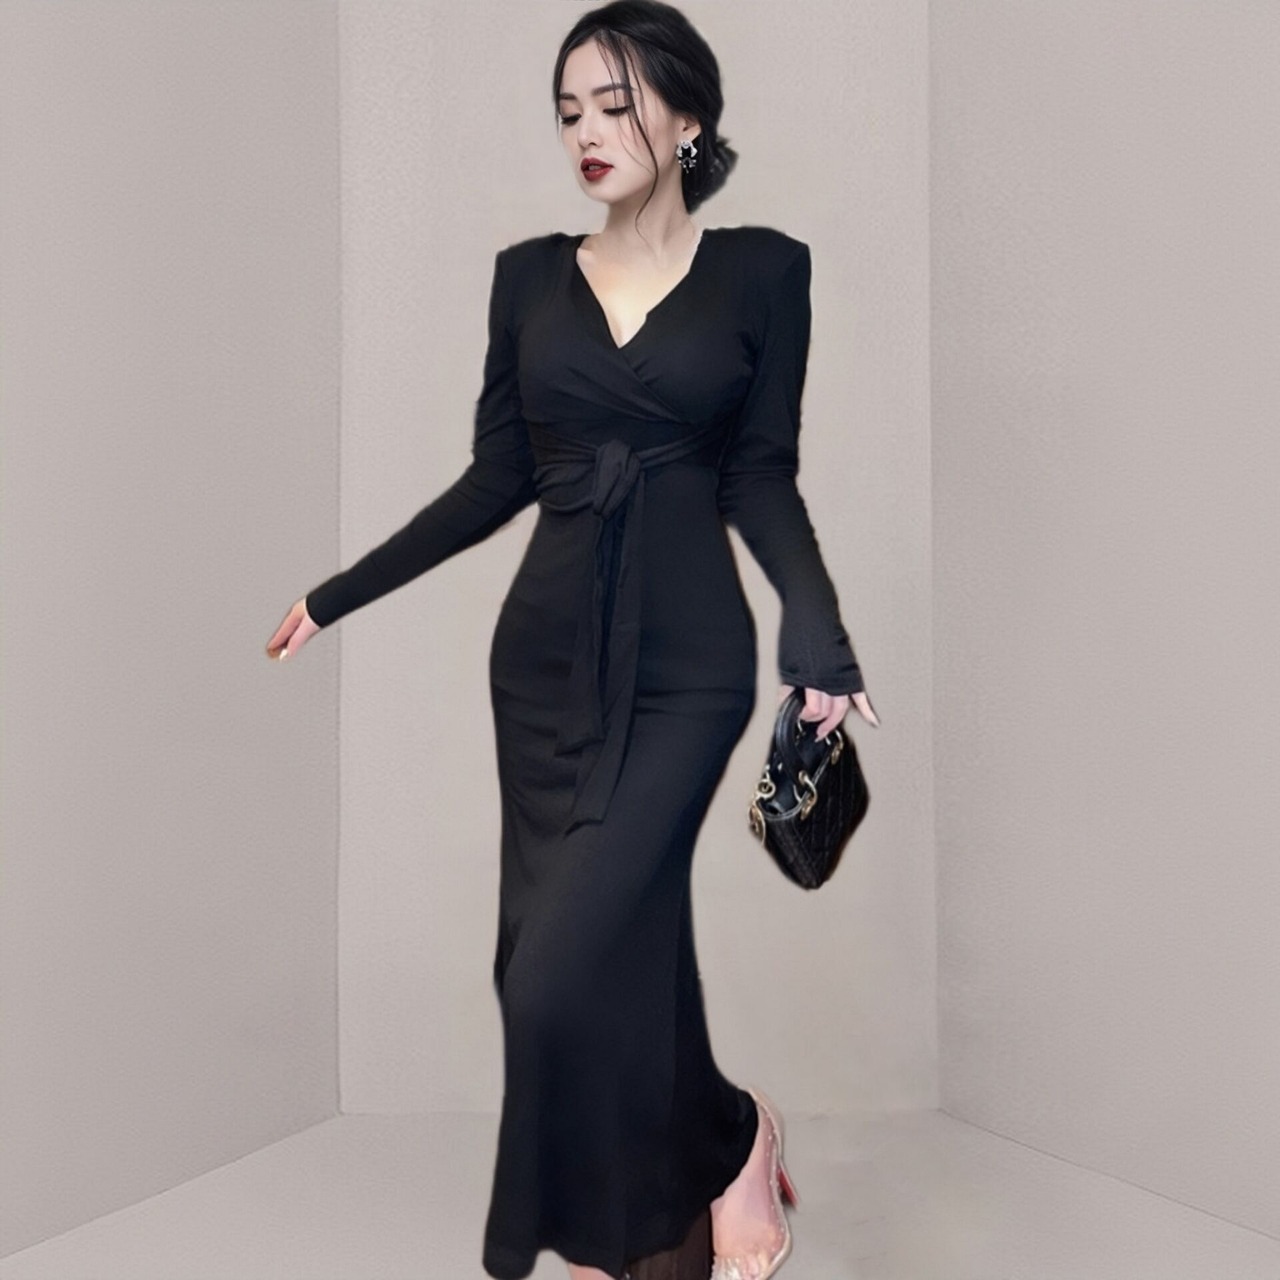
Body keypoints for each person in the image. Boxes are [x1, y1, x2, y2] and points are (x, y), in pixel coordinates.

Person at [266, 3, 879, 1277]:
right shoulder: (525, 279)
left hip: (686, 668)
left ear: (686, 117)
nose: (585, 133)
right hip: (541, 665)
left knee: (560, 970)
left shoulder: (765, 273)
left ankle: (697, 1158)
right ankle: (700, 1174)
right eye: (566, 112)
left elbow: (760, 473)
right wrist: (337, 594)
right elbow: (495, 479)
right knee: (584, 959)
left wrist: (816, 634)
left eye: (614, 103)